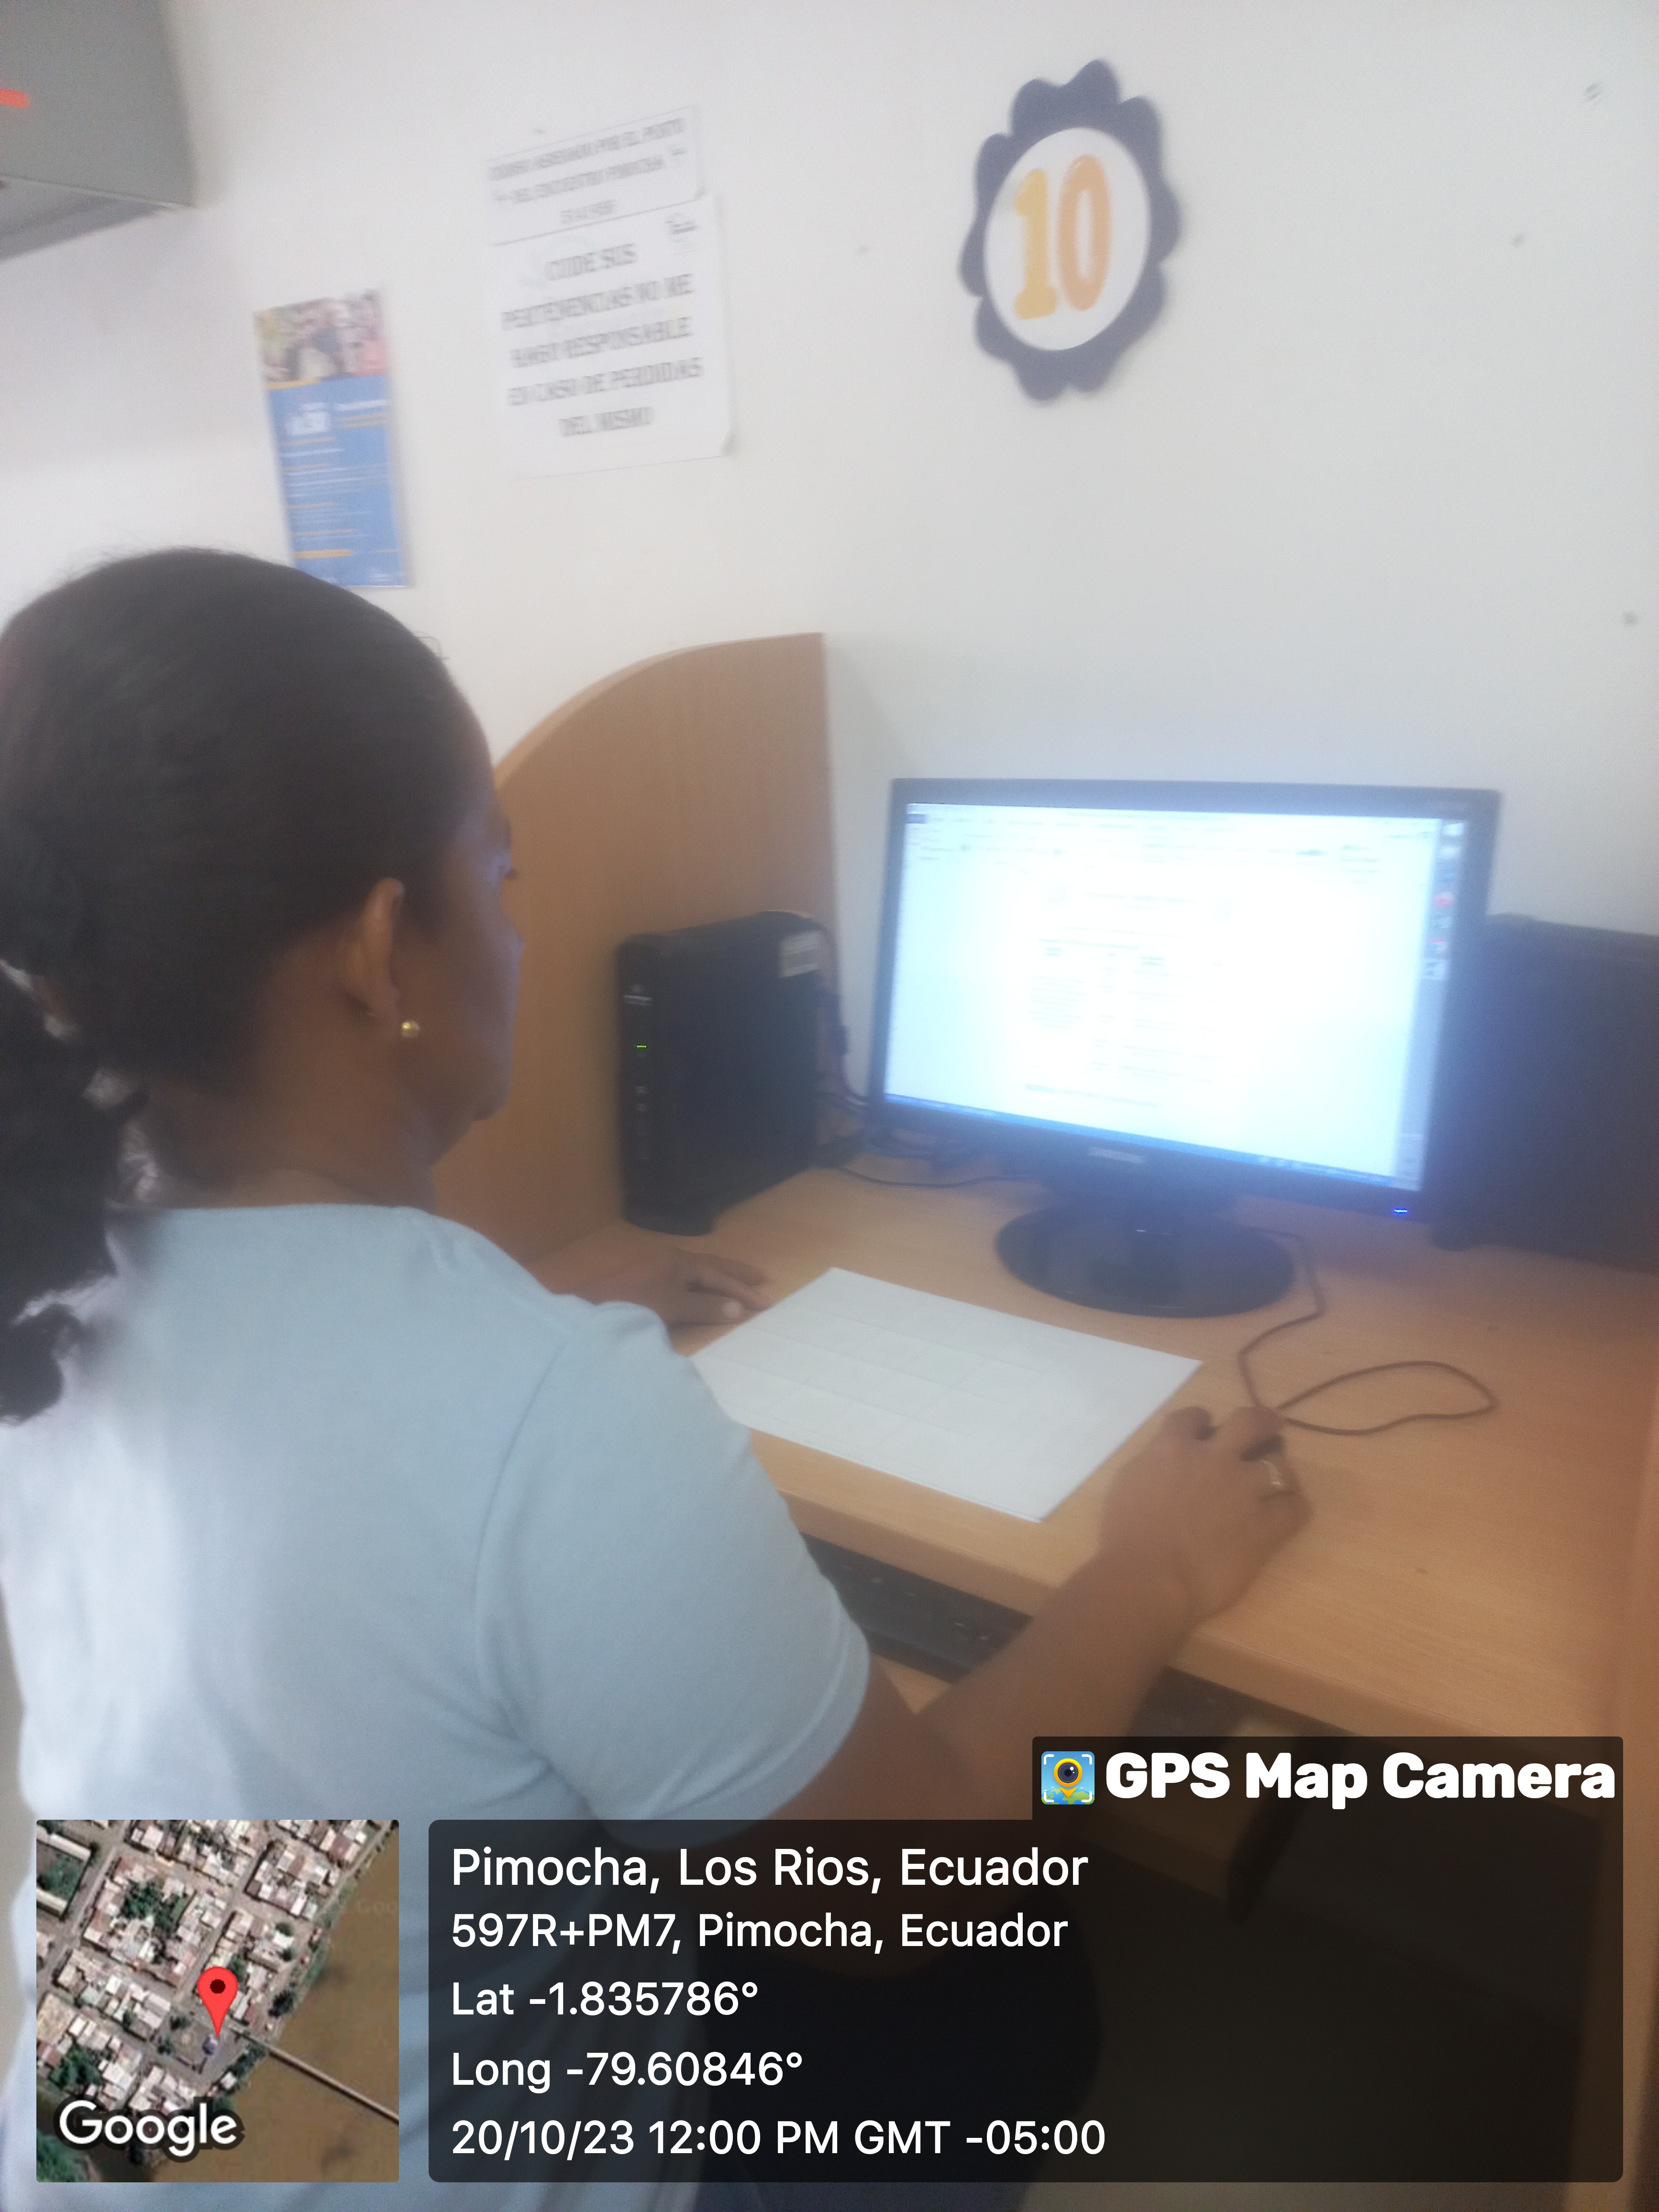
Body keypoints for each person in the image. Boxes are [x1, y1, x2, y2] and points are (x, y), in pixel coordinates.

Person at [0, 550, 1306, 2210]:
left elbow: (314, 1488)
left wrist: (509, 1315)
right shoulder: (549, 1416)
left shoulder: (46, 1276)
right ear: (384, 952)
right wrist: (1155, 1570)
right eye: (500, 872)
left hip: (138, 2108)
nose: (522, 928)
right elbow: (890, 1899)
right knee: (997, 1982)